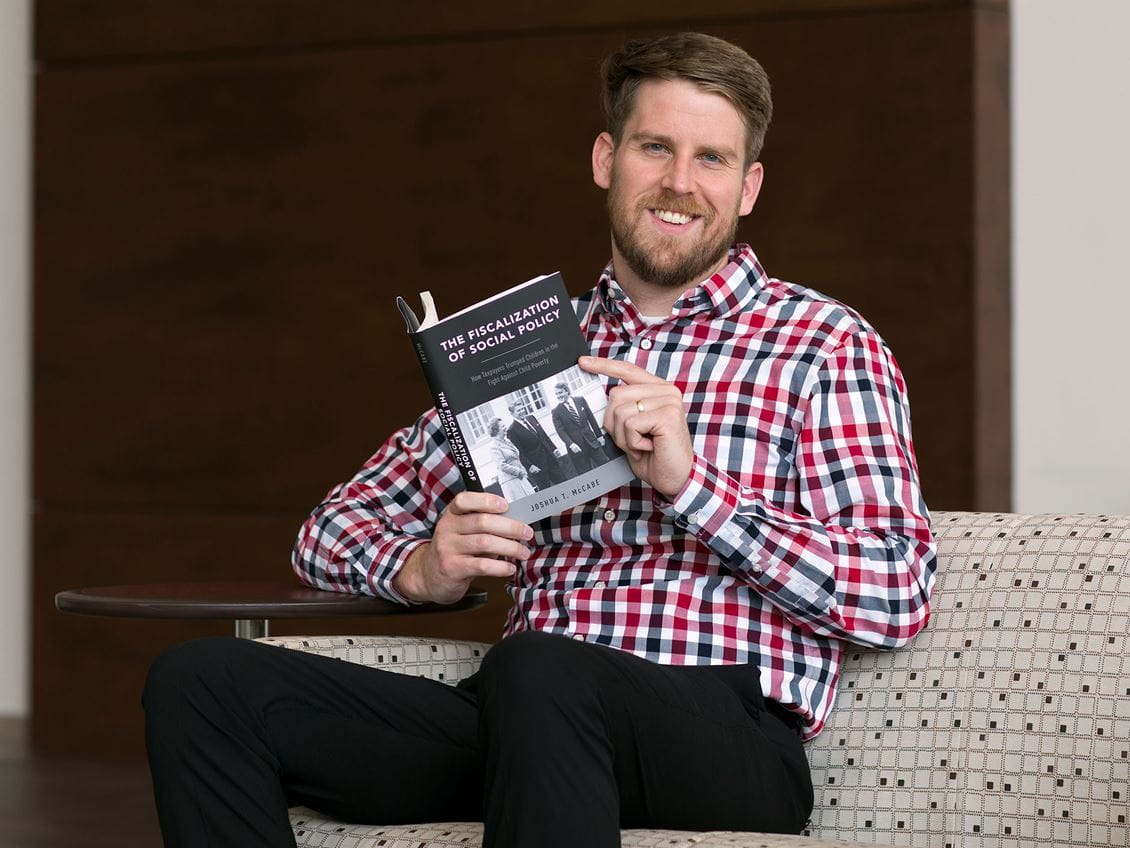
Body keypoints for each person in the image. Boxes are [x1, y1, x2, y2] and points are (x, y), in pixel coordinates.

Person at [142, 31, 937, 848]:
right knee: (202, 682)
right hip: (527, 721)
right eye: (654, 147)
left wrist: (693, 487)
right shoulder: (532, 350)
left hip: (724, 740)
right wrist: (422, 568)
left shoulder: (823, 345)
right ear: (605, 159)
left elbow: (897, 593)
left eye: (711, 159)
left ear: (748, 187)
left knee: (540, 668)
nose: (679, 182)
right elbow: (327, 532)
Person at [505, 400, 566, 489]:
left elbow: (544, 436)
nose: (522, 411)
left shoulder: (531, 418)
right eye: (518, 410)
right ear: (512, 413)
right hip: (537, 468)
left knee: (564, 484)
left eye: (522, 408)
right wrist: (529, 466)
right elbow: (519, 453)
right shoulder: (512, 430)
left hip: (550, 460)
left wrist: (554, 448)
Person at [550, 381, 609, 472]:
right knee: (587, 474)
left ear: (567, 391)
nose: (558, 396)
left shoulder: (580, 400)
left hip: (592, 442)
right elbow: (560, 431)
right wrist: (571, 444)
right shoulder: (556, 411)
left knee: (606, 466)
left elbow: (591, 418)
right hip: (577, 449)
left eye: (560, 392)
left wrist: (599, 436)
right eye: (556, 394)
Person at [487, 417, 535, 499]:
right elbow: (501, 465)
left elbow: (517, 457)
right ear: (496, 430)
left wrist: (522, 471)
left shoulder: (508, 441)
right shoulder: (494, 447)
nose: (505, 427)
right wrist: (518, 471)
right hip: (510, 481)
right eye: (502, 426)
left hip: (520, 476)